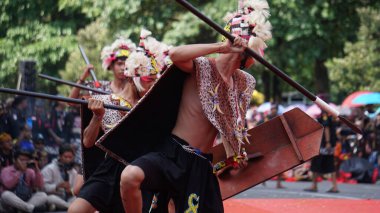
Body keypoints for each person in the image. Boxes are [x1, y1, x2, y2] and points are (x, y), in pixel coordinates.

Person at [119, 1, 272, 212]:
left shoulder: (243, 83)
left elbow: (233, 129)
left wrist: (235, 154)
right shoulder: (201, 66)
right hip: (172, 153)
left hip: (201, 164)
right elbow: (175, 55)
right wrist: (221, 47)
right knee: (130, 176)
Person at [68, 29, 170, 213]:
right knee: (76, 210)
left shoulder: (153, 106)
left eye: (156, 81)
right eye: (149, 80)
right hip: (110, 168)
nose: (153, 86)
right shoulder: (107, 101)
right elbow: (87, 142)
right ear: (133, 78)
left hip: (139, 170)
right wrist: (98, 116)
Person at [69, 37, 137, 100]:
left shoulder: (136, 90)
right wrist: (83, 77)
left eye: (126, 64)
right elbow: (71, 101)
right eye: (119, 64)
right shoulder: (100, 88)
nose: (123, 68)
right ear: (111, 66)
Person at [0, 148, 47, 213]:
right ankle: (28, 208)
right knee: (5, 195)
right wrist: (20, 171)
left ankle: (23, 209)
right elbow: (8, 185)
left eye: (27, 160)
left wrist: (37, 170)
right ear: (14, 160)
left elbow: (39, 186)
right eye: (22, 160)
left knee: (42, 195)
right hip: (9, 203)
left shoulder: (30, 171)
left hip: (25, 200)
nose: (24, 162)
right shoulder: (6, 170)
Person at [304, 111, 339, 193]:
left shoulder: (324, 116)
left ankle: (314, 185)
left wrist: (327, 142)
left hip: (323, 145)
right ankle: (334, 186)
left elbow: (326, 128)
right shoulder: (330, 117)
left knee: (315, 165)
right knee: (331, 166)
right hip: (328, 146)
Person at [41, 144, 77, 211]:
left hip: (68, 198)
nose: (68, 159)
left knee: (78, 198)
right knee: (50, 198)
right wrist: (56, 186)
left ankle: (64, 206)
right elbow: (42, 187)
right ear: (60, 156)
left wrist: (71, 190)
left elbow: (75, 189)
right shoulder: (49, 168)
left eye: (70, 157)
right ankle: (70, 207)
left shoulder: (73, 172)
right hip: (55, 197)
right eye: (65, 157)